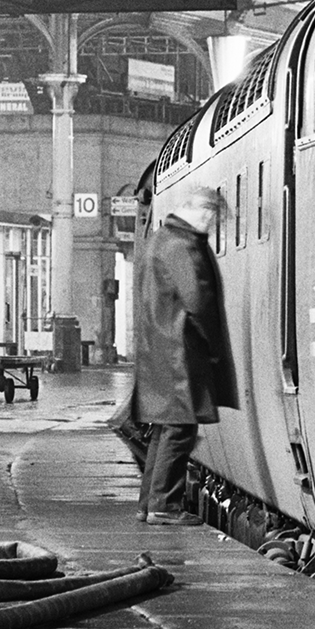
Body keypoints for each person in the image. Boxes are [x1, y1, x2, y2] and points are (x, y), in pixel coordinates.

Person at [131, 185, 237, 526]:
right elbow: (198, 301)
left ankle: (149, 503)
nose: (212, 223)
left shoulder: (161, 239)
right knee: (180, 430)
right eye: (212, 216)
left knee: (166, 430)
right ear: (203, 211)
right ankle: (164, 506)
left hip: (159, 349)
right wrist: (214, 347)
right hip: (180, 352)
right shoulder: (182, 245)